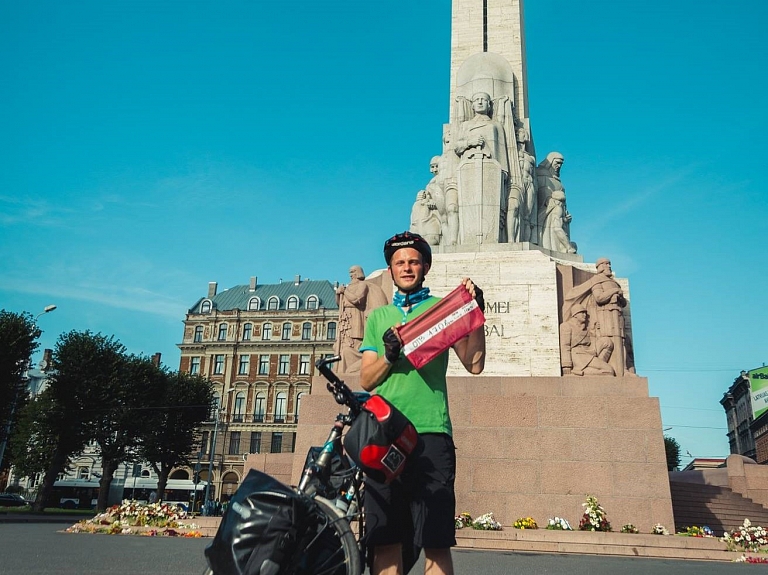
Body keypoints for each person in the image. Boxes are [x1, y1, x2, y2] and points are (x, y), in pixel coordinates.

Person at [360, 231, 486, 575]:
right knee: (385, 538)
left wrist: (476, 316)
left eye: (414, 261)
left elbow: (474, 364)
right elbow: (366, 379)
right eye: (399, 262)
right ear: (390, 270)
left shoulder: (441, 310)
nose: (406, 267)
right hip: (385, 434)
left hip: (431, 432)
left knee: (436, 539)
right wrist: (388, 355)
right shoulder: (378, 317)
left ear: (425, 267)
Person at [334, 266, 388, 373]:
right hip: (345, 317)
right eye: (350, 272)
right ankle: (342, 370)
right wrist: (338, 294)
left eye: (353, 272)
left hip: (356, 316)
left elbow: (357, 299)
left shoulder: (362, 285)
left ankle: (358, 367)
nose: (351, 275)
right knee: (343, 346)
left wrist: (344, 292)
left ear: (358, 273)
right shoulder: (349, 287)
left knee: (354, 344)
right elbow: (339, 303)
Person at [559, 304, 614, 376]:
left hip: (588, 352)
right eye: (582, 312)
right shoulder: (566, 326)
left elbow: (592, 343)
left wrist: (596, 331)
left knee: (607, 341)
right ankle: (579, 372)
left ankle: (595, 367)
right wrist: (566, 365)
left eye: (585, 313)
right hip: (577, 355)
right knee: (609, 370)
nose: (584, 315)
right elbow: (565, 346)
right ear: (575, 315)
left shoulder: (586, 328)